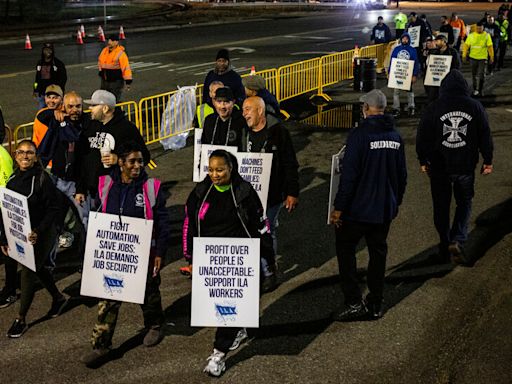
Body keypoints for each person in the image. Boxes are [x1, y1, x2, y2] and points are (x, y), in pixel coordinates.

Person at [183, 149, 275, 377]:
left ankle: (231, 335)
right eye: (211, 170)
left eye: (220, 170)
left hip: (242, 258)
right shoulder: (199, 193)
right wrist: (192, 257)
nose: (215, 174)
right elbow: (191, 226)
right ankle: (220, 353)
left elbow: (260, 224)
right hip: (213, 260)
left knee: (242, 300)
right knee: (227, 307)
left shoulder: (244, 192)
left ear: (231, 169)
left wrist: (268, 258)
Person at [81, 141, 170, 366]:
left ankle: (155, 325)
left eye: (140, 161)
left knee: (148, 294)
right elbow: (98, 216)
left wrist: (160, 251)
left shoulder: (151, 187)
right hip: (113, 254)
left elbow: (162, 222)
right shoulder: (106, 184)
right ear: (120, 162)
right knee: (109, 299)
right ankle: (100, 345)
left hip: (144, 253)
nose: (137, 166)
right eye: (132, 161)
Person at [330, 89, 407, 321]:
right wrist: (395, 202)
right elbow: (402, 176)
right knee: (378, 253)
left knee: (345, 250)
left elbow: (349, 176)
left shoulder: (359, 136)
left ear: (366, 109)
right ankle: (375, 302)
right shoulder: (395, 136)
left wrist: (338, 207)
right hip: (383, 210)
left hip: (357, 210)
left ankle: (354, 301)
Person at [416, 69, 493, 265]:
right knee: (464, 202)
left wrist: (423, 160)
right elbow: (485, 134)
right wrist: (488, 159)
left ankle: (444, 241)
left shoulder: (434, 107)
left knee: (441, 206)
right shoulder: (475, 107)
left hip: (440, 167)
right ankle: (457, 238)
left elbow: (423, 136)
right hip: (465, 165)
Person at [0, 140, 68, 338]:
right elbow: (8, 212)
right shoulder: (12, 180)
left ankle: (21, 319)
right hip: (22, 234)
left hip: (42, 233)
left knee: (28, 271)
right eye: (21, 152)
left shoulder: (42, 179)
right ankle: (57, 298)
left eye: (29, 153)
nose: (25, 156)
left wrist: (39, 230)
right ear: (15, 156)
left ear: (36, 156)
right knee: (37, 267)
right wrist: (4, 237)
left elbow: (54, 209)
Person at [241, 96, 299, 291]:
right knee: (250, 232)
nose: (244, 113)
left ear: (260, 111)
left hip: (272, 195)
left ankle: (268, 271)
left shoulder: (278, 132)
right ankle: (256, 268)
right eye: (243, 110)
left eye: (248, 109)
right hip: (249, 196)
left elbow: (290, 163)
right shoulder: (243, 132)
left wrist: (292, 192)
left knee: (267, 232)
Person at [75, 90, 150, 226]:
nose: (89, 108)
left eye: (93, 105)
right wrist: (80, 188)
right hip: (92, 192)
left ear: (105, 108)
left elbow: (145, 156)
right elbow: (82, 159)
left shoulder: (127, 129)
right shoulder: (90, 126)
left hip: (116, 192)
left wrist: (119, 160)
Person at [389, 32, 420, 117]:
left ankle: (411, 107)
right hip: (397, 74)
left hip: (407, 74)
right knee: (396, 92)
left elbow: (416, 63)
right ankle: (396, 108)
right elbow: (392, 62)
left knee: (409, 92)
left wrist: (414, 75)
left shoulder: (412, 50)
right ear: (401, 39)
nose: (405, 40)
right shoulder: (396, 49)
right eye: (403, 38)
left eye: (406, 39)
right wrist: (389, 73)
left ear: (409, 40)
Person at [0, 144, 15, 309]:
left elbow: (6, 189)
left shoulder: (1, 155)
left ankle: (10, 290)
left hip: (2, 210)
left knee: (7, 250)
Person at [462, 22, 494, 97]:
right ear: (476, 28)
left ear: (483, 28)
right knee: (474, 75)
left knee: (481, 75)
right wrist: (464, 55)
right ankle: (475, 89)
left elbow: (490, 47)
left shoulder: (486, 36)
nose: (479, 29)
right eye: (478, 28)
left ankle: (480, 89)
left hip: (482, 59)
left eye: (481, 28)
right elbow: (466, 46)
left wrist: (491, 57)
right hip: (473, 58)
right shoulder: (471, 35)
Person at [98, 35, 132, 102]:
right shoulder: (104, 50)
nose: (109, 42)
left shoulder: (121, 53)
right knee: (104, 99)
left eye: (112, 40)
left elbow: (125, 68)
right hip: (105, 80)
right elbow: (100, 61)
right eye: (109, 40)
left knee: (113, 99)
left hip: (116, 81)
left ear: (116, 42)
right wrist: (101, 71)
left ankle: (115, 111)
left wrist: (128, 81)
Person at [33, 42, 67, 110]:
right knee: (42, 111)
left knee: (56, 110)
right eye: (46, 50)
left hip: (54, 93)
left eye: (49, 50)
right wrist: (35, 90)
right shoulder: (40, 63)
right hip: (42, 93)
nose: (48, 52)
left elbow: (63, 79)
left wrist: (58, 91)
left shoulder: (58, 64)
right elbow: (37, 79)